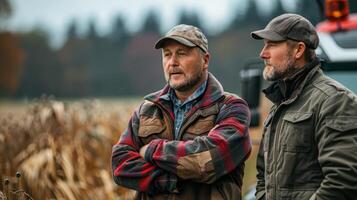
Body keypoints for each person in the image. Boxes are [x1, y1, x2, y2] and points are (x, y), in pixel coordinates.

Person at [111, 24, 252, 200]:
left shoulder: (232, 108)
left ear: (205, 60)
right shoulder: (147, 110)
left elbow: (206, 161)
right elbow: (120, 163)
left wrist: (151, 150)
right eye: (167, 54)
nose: (173, 62)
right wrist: (166, 181)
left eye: (182, 53)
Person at [251, 13, 357, 200]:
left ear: (298, 50)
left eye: (272, 44)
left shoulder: (335, 100)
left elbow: (343, 180)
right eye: (264, 44)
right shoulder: (280, 105)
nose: (263, 53)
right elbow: (263, 177)